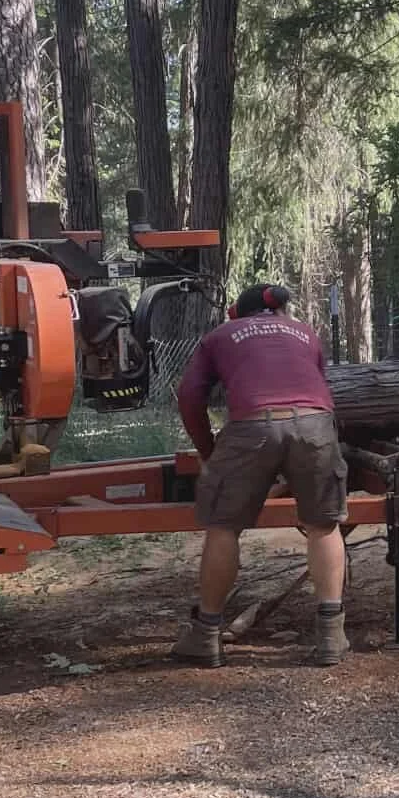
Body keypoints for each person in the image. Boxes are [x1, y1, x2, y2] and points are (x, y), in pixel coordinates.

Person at [171, 282, 349, 669]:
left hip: (252, 425)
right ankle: (331, 637)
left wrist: (210, 453)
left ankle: (206, 636)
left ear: (238, 312)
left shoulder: (220, 334)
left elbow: (189, 397)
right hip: (316, 425)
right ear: (281, 311)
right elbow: (319, 391)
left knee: (223, 527)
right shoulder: (305, 332)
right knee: (324, 526)